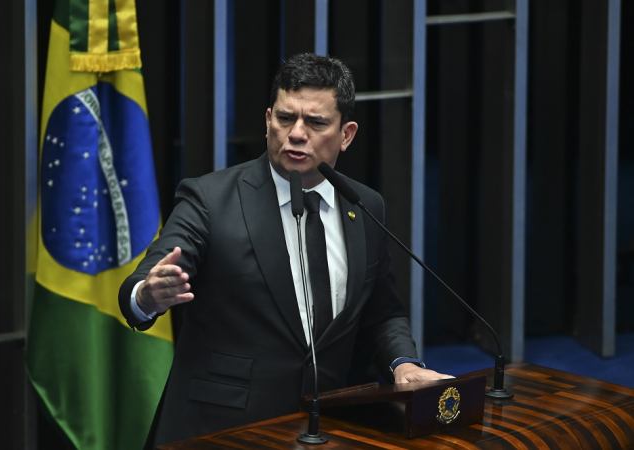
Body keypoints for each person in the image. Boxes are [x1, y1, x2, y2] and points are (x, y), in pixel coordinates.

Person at [118, 53, 452, 448]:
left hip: (323, 429)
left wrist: (404, 363)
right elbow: (146, 279)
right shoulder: (210, 198)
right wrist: (147, 295)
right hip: (221, 430)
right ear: (267, 120)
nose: (296, 134)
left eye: (316, 123)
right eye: (284, 118)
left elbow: (382, 313)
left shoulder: (364, 206)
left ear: (346, 135)